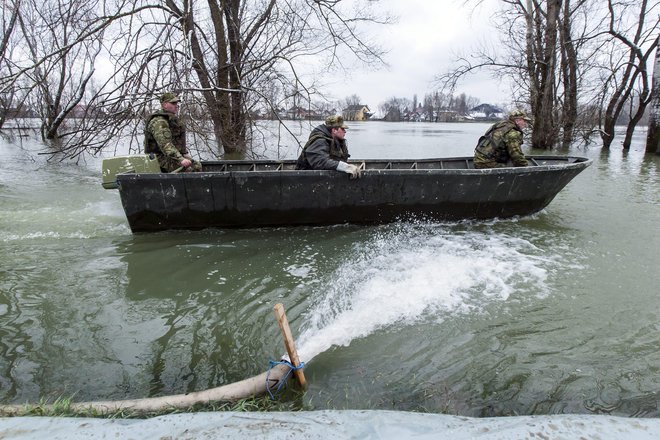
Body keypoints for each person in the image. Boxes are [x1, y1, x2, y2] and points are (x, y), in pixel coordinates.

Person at [144, 92, 202, 172]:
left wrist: (184, 155)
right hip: (157, 159)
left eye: (176, 103)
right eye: (173, 103)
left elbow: (178, 143)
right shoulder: (159, 122)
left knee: (197, 165)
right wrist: (181, 159)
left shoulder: (172, 120)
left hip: (169, 157)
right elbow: (166, 145)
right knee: (189, 169)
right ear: (164, 105)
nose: (176, 105)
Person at [295, 115, 362, 179]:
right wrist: (345, 167)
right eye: (342, 129)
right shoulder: (319, 141)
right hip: (306, 179)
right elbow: (320, 162)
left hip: (321, 179)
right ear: (334, 130)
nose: (345, 131)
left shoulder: (336, 141)